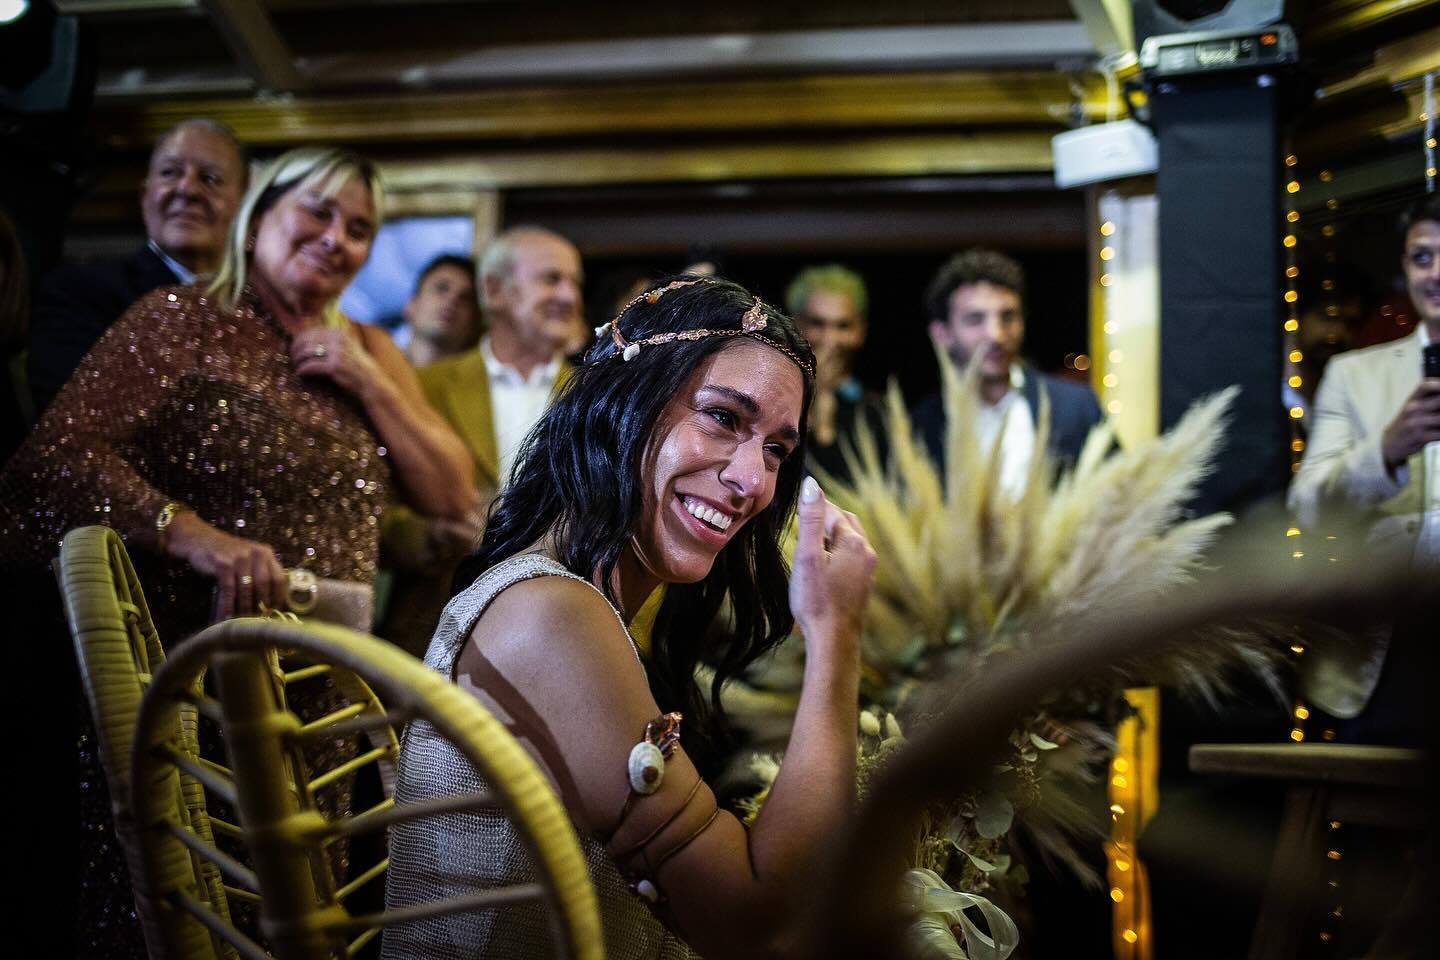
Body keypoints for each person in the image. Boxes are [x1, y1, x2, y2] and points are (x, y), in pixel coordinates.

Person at [0, 146, 474, 956]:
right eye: (317, 213)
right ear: (259, 217)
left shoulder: (366, 346)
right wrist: (201, 538)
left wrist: (366, 380)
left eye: (359, 229)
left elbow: (453, 495)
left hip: (321, 707)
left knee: (297, 921)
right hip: (196, 684)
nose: (337, 239)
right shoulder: (181, 318)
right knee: (187, 912)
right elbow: (56, 459)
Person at [385, 276, 876, 958]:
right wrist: (837, 638)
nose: (752, 481)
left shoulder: (574, 602)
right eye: (724, 418)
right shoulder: (552, 617)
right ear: (624, 402)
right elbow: (758, 925)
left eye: (776, 450)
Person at [377, 225, 582, 654]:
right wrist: (429, 536)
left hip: (558, 643)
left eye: (574, 283)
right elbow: (372, 507)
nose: (568, 296)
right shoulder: (420, 386)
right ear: (494, 291)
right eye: (551, 279)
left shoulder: (597, 398)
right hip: (427, 636)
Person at [1288, 193, 1440, 734]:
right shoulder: (1356, 375)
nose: (1435, 274)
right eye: (1422, 257)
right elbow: (1308, 508)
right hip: (1381, 654)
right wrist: (1387, 450)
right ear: (1405, 268)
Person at [26, 118, 248, 417]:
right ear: (145, 198)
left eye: (209, 178)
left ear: (246, 206)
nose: (187, 189)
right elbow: (71, 414)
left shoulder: (262, 310)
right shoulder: (80, 292)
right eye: (170, 173)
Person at [912, 249, 1102, 491]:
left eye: (1008, 316)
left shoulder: (1077, 407)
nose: (996, 334)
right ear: (942, 334)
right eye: (975, 319)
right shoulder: (921, 425)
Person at [785, 263, 886, 484]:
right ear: (795, 325)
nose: (830, 339)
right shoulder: (777, 401)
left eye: (842, 326)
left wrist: (826, 399)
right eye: (817, 324)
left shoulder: (877, 413)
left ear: (860, 331)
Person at [401, 253, 481, 368]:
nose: (452, 300)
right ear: (411, 304)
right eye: (441, 288)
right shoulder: (374, 368)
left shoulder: (481, 384)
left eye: (466, 298)